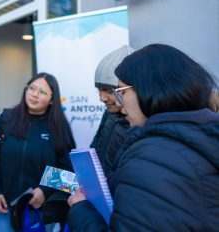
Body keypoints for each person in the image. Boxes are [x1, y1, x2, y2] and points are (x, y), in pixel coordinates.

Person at [66, 44, 219, 231]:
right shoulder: (194, 136)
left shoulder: (155, 158)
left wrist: (81, 210)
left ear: (150, 89)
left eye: (120, 91)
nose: (120, 105)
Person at [0, 72, 76, 232]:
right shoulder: (5, 118)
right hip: (4, 206)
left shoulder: (59, 127)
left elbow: (68, 169)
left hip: (41, 211)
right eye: (32, 88)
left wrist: (44, 191)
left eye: (43, 92)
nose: (35, 94)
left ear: (52, 100)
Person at [91, 45, 133, 176]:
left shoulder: (140, 123)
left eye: (108, 91)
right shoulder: (110, 113)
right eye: (99, 90)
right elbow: (94, 151)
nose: (102, 98)